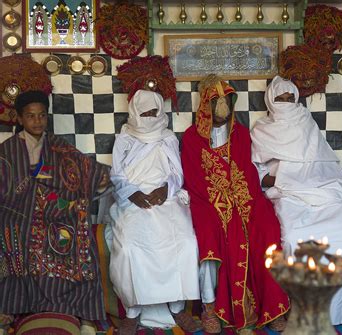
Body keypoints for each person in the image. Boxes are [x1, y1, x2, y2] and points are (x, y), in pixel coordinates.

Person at [250, 76, 342, 325]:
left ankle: (339, 310)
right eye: (280, 99)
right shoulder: (261, 129)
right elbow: (256, 172)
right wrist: (282, 180)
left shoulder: (306, 122)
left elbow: (322, 161)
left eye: (291, 98)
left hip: (323, 191)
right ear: (270, 101)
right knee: (294, 238)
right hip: (288, 195)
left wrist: (308, 177)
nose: (287, 103)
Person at [180, 75, 289, 334]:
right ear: (204, 105)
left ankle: (272, 306)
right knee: (209, 235)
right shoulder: (192, 137)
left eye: (226, 102)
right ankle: (209, 307)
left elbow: (247, 173)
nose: (222, 110)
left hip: (245, 198)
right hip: (206, 202)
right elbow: (194, 179)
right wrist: (221, 203)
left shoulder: (241, 134)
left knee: (268, 227)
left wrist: (241, 201)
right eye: (216, 103)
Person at [0, 90, 109, 333]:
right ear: (19, 119)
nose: (37, 121)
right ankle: (9, 307)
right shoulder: (6, 151)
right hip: (16, 217)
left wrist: (99, 177)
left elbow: (86, 172)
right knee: (11, 239)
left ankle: (83, 314)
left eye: (41, 116)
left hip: (55, 215)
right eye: (30, 116)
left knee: (79, 240)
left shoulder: (60, 148)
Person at [108, 90, 201, 334]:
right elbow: (117, 175)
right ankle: (132, 312)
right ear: (135, 113)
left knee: (186, 242)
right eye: (144, 113)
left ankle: (178, 307)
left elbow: (178, 174)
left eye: (154, 112)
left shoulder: (168, 137)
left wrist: (165, 189)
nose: (149, 117)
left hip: (166, 199)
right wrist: (132, 193)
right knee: (128, 247)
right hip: (134, 201)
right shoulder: (125, 138)